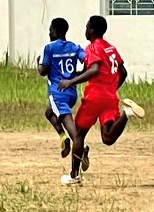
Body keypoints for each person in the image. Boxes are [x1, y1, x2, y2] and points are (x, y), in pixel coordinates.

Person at [57, 15, 145, 185]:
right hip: (110, 97)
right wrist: (111, 88)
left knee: (78, 134)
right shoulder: (111, 48)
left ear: (91, 31)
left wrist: (71, 82)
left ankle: (74, 175)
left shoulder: (92, 47)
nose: (85, 30)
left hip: (95, 97)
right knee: (107, 138)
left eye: (86, 27)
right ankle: (126, 114)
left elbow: (95, 69)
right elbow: (123, 72)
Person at [38, 17, 85, 160]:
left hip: (58, 93)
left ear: (55, 31)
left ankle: (81, 149)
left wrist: (38, 62)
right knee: (49, 112)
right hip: (71, 92)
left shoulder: (49, 48)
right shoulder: (74, 47)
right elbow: (87, 59)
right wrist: (79, 75)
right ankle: (62, 136)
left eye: (50, 30)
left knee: (70, 125)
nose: (49, 33)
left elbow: (42, 71)